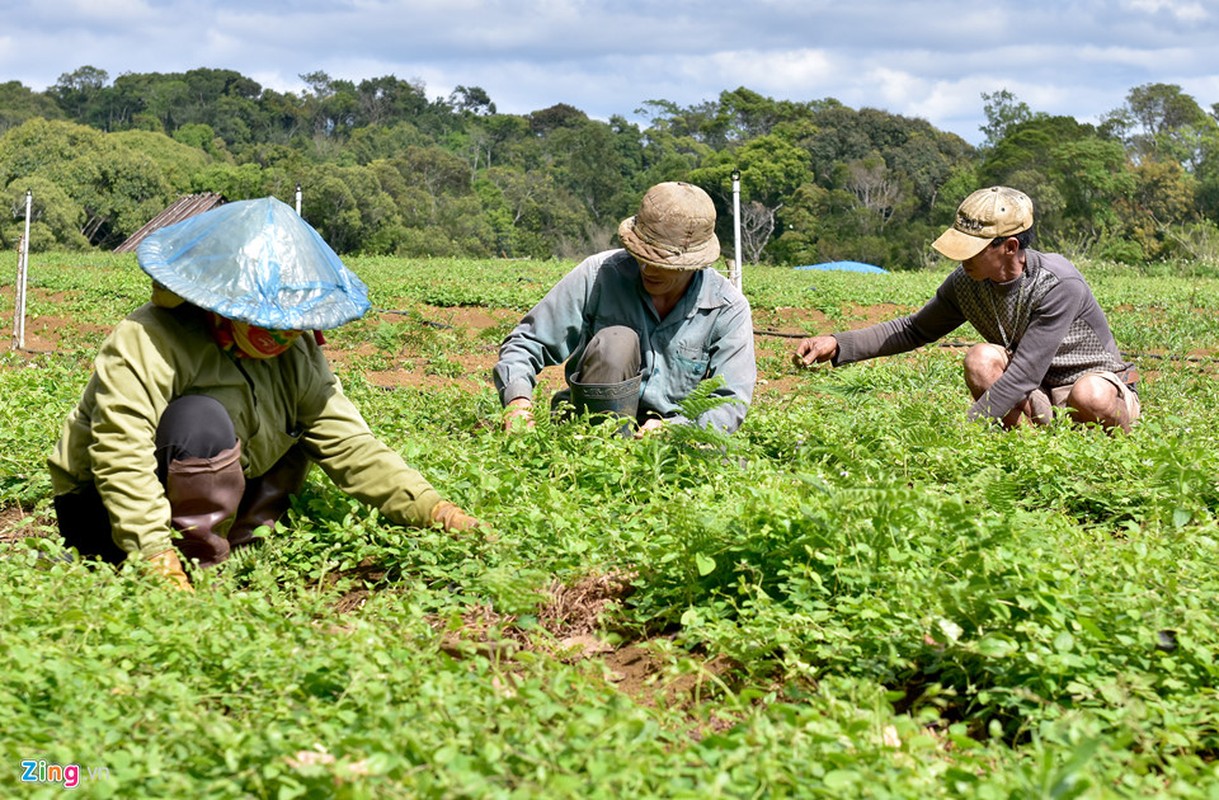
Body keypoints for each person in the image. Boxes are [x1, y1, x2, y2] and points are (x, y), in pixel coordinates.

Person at [48, 197, 482, 591]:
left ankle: (244, 552)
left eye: (295, 323)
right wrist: (155, 555)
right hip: (104, 510)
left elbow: (350, 444)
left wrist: (435, 510)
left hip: (215, 489)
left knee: (305, 425)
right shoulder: (149, 337)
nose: (284, 335)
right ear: (220, 304)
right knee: (201, 420)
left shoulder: (298, 353)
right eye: (268, 319)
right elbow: (120, 452)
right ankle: (194, 569)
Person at [792, 186, 1140, 431]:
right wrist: (839, 344)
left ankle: (1118, 445)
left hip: (1093, 389)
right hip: (1038, 394)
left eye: (972, 248)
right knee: (981, 358)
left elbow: (1023, 375)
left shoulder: (1057, 283)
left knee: (1088, 395)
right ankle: (1026, 451)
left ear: (1009, 246)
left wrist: (969, 427)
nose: (961, 257)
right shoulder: (966, 282)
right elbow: (914, 329)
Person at [493, 181, 756, 435]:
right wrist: (517, 402)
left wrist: (675, 429)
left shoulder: (727, 308)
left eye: (660, 262)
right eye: (641, 255)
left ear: (692, 264)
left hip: (670, 443)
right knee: (616, 341)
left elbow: (731, 400)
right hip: (590, 430)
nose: (646, 268)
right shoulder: (599, 275)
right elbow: (527, 341)